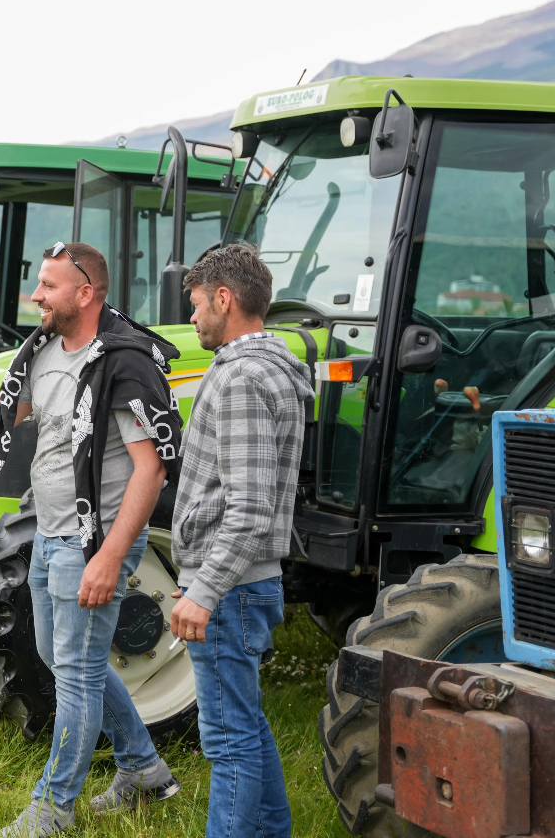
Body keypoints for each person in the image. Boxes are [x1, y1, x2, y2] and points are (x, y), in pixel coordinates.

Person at [0, 242, 184, 837]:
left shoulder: (124, 364)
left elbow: (150, 469)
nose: (35, 296)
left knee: (77, 672)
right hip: (51, 531)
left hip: (92, 540)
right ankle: (145, 771)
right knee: (65, 660)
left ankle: (52, 809)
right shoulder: (43, 351)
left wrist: (109, 557)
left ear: (85, 294)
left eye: (48, 286)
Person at [169, 244, 312, 838]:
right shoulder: (258, 368)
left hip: (229, 590)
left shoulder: (244, 379)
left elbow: (251, 508)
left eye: (199, 305)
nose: (195, 318)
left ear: (225, 299)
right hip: (242, 587)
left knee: (228, 745)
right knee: (246, 728)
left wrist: (203, 592)